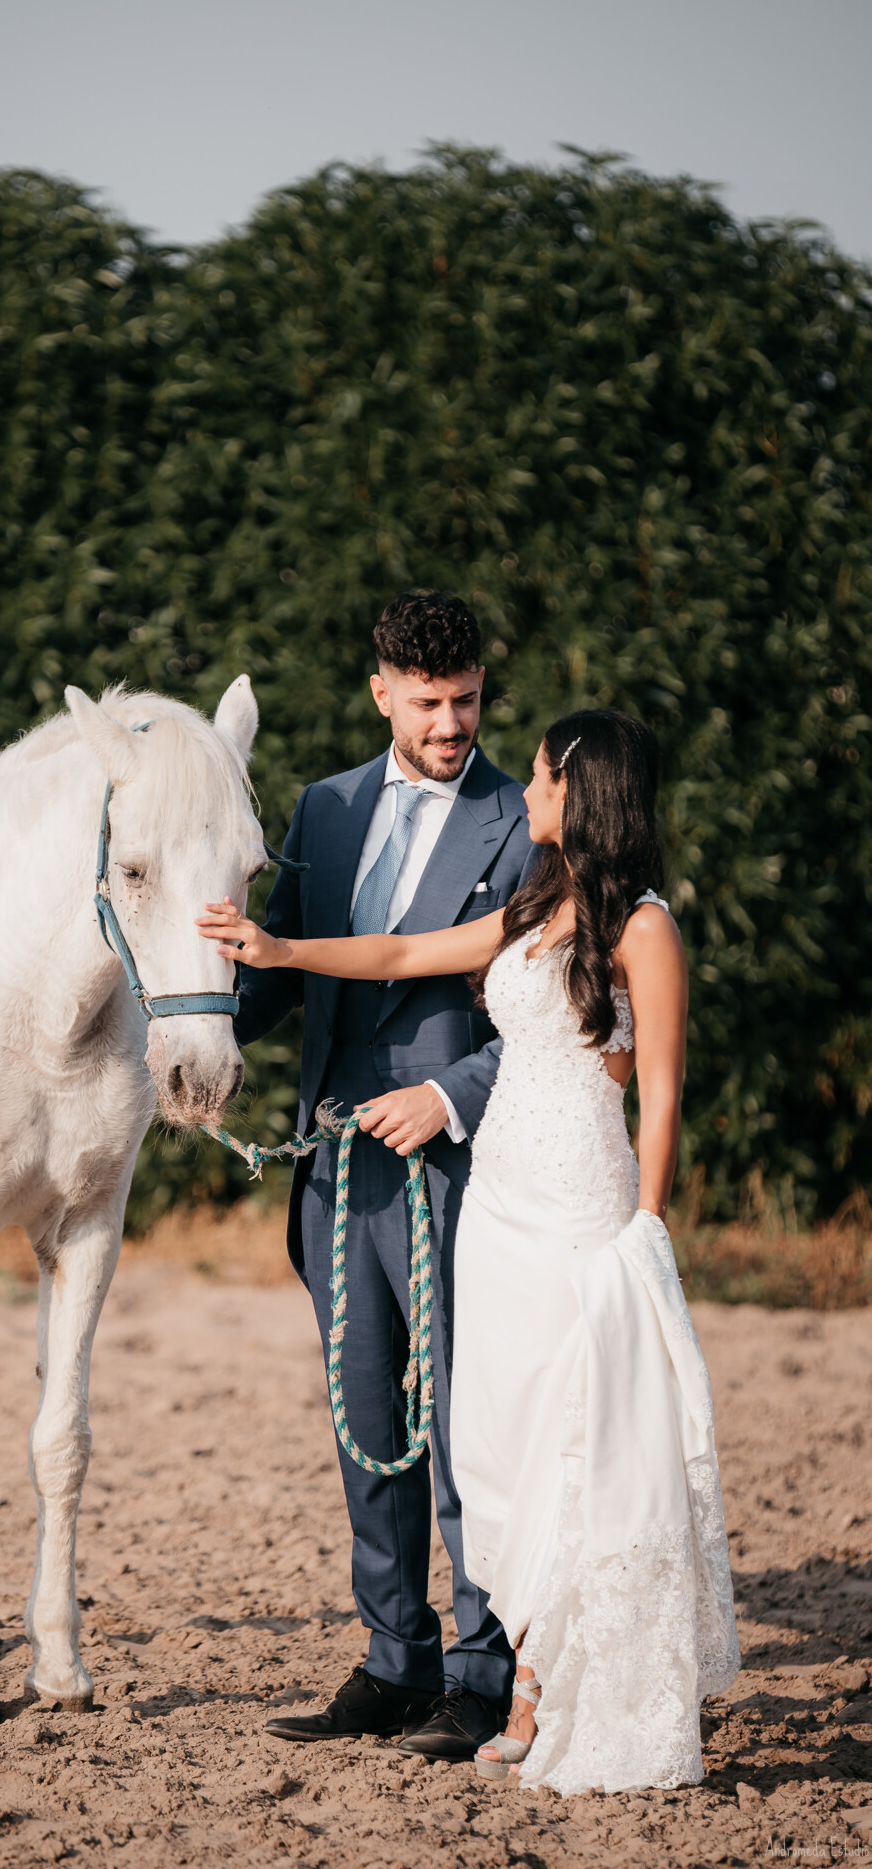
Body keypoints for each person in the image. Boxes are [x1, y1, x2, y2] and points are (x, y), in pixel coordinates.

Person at [200, 707, 741, 1794]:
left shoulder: (645, 929)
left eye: (540, 777)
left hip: (579, 1204)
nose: (523, 790)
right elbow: (404, 951)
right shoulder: (539, 902)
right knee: (498, 1440)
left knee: (571, 1442)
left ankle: (530, 1692)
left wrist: (647, 1224)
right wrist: (280, 950)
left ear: (579, 793)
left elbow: (663, 1088)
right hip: (497, 1206)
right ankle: (479, 1667)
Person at [227, 591, 537, 1761]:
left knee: (459, 1426)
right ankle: (395, 1659)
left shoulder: (524, 820)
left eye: (466, 700)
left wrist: (449, 1094)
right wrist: (184, 1027)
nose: (452, 723)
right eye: (428, 703)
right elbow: (277, 976)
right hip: (333, 1165)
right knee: (366, 1421)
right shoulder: (325, 807)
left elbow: (550, 1012)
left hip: (455, 1165)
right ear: (381, 694)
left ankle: (481, 1672)